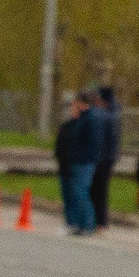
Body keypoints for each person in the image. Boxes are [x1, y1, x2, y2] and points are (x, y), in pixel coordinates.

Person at [55, 91, 100, 235]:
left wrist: (77, 157)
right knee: (72, 193)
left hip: (83, 162)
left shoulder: (89, 120)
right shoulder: (77, 121)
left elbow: (85, 143)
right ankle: (74, 223)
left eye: (75, 104)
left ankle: (87, 224)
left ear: (81, 104)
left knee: (81, 192)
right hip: (71, 162)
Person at [90, 83, 121, 230]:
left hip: (104, 158)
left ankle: (100, 221)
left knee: (99, 189)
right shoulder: (113, 113)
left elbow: (105, 138)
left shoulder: (108, 115)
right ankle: (99, 220)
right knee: (99, 189)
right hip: (107, 157)